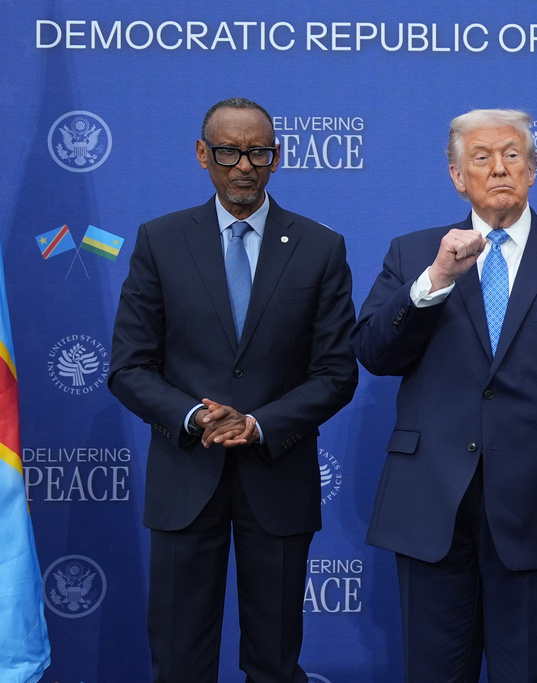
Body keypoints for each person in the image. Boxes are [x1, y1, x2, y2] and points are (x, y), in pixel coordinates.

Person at [353, 108, 537, 682]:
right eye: (481, 158)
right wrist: (432, 284)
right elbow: (376, 355)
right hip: (431, 503)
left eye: (512, 156)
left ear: (532, 171)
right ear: (457, 177)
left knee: (527, 672)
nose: (498, 167)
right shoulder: (415, 254)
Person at [108, 97, 358, 682]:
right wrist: (196, 415)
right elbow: (128, 366)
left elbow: (336, 373)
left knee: (274, 663)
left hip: (277, 480)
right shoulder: (160, 240)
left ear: (278, 156)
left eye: (258, 152)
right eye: (228, 151)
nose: (244, 166)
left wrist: (258, 423)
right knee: (178, 661)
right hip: (185, 478)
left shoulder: (321, 248)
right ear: (203, 154)